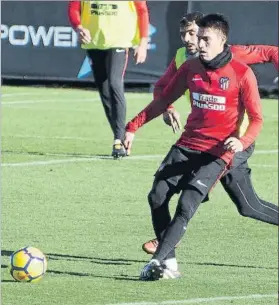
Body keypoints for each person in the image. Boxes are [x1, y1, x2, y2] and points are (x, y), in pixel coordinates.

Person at [124, 13, 264, 280]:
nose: (198, 44)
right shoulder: (189, 68)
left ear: (222, 41)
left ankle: (157, 262)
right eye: (198, 38)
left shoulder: (242, 73)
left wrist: (242, 141)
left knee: (188, 202)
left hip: (218, 152)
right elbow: (162, 100)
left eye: (205, 39)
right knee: (156, 196)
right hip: (188, 145)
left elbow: (257, 119)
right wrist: (132, 127)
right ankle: (171, 264)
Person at [68, 1, 149, 158]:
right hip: (93, 41)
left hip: (119, 41)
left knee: (114, 83)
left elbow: (142, 11)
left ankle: (118, 140)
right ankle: (121, 137)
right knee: (104, 91)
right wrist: (78, 27)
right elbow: (73, 8)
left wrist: (143, 42)